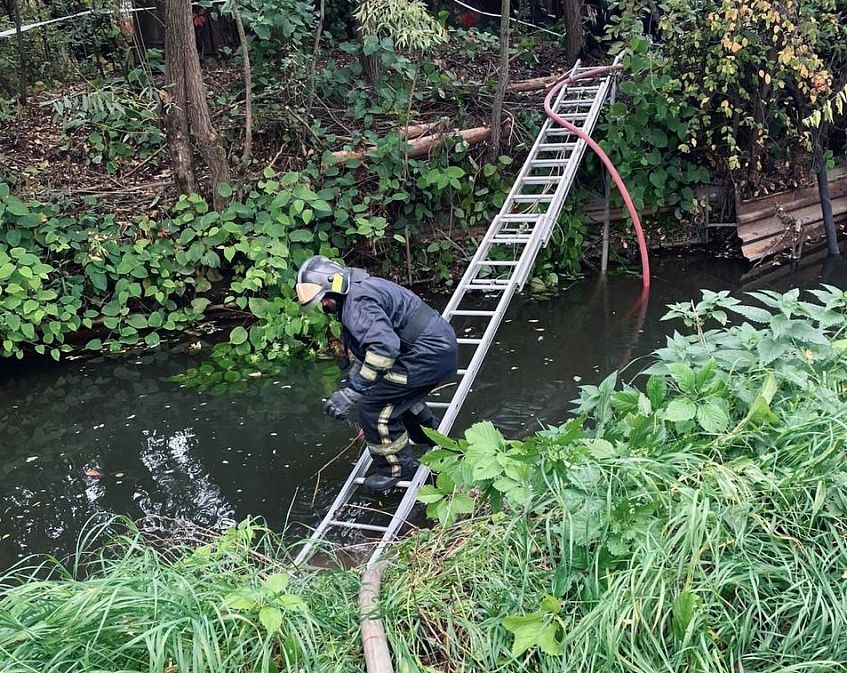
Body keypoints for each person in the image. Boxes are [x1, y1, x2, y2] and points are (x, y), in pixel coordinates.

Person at [296, 255, 458, 491]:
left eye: (324, 298)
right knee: (396, 395)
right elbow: (379, 337)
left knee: (372, 408)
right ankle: (428, 435)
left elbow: (384, 348)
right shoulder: (360, 289)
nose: (324, 305)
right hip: (435, 350)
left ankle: (396, 470)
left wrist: (353, 391)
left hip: (427, 358)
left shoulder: (356, 303)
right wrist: (357, 368)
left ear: (334, 286)